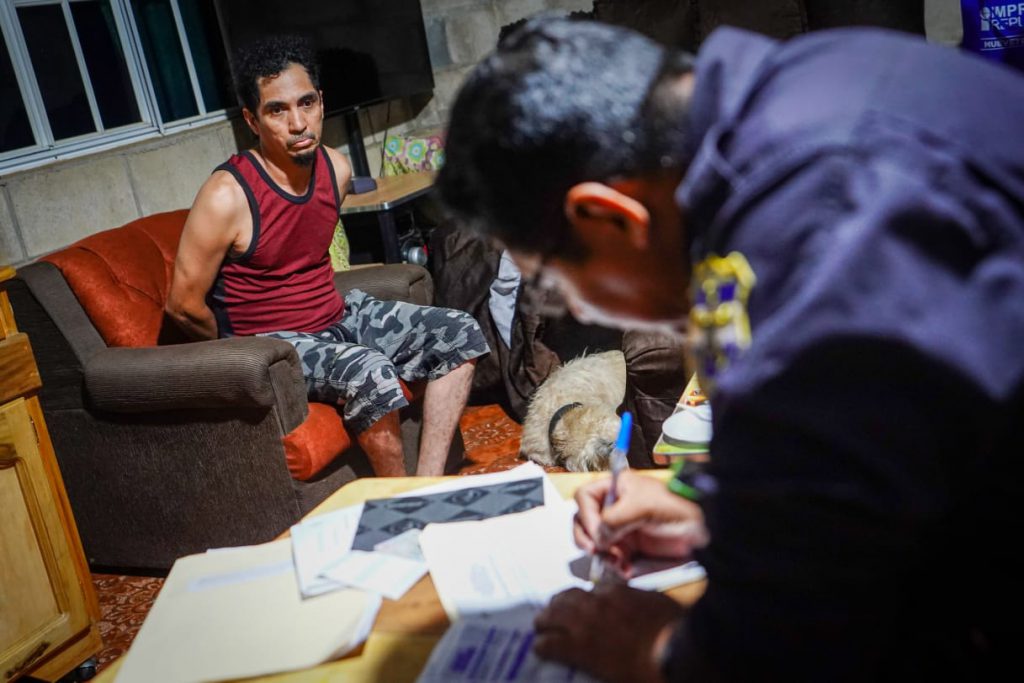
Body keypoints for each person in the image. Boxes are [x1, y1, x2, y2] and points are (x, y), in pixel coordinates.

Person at [438, 17, 1023, 681]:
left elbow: (814, 620)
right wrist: (712, 513)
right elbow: (872, 449)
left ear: (607, 216)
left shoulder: (822, 216)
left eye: (551, 284)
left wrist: (658, 649)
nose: (574, 311)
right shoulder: (791, 103)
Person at [166, 36, 488, 477]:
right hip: (276, 344)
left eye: (307, 103)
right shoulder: (227, 195)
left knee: (459, 330)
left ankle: (426, 487)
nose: (298, 123)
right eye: (277, 110)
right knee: (371, 371)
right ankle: (399, 502)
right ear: (252, 120)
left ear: (321, 102)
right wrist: (235, 359)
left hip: (337, 317)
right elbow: (183, 305)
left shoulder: (336, 169)